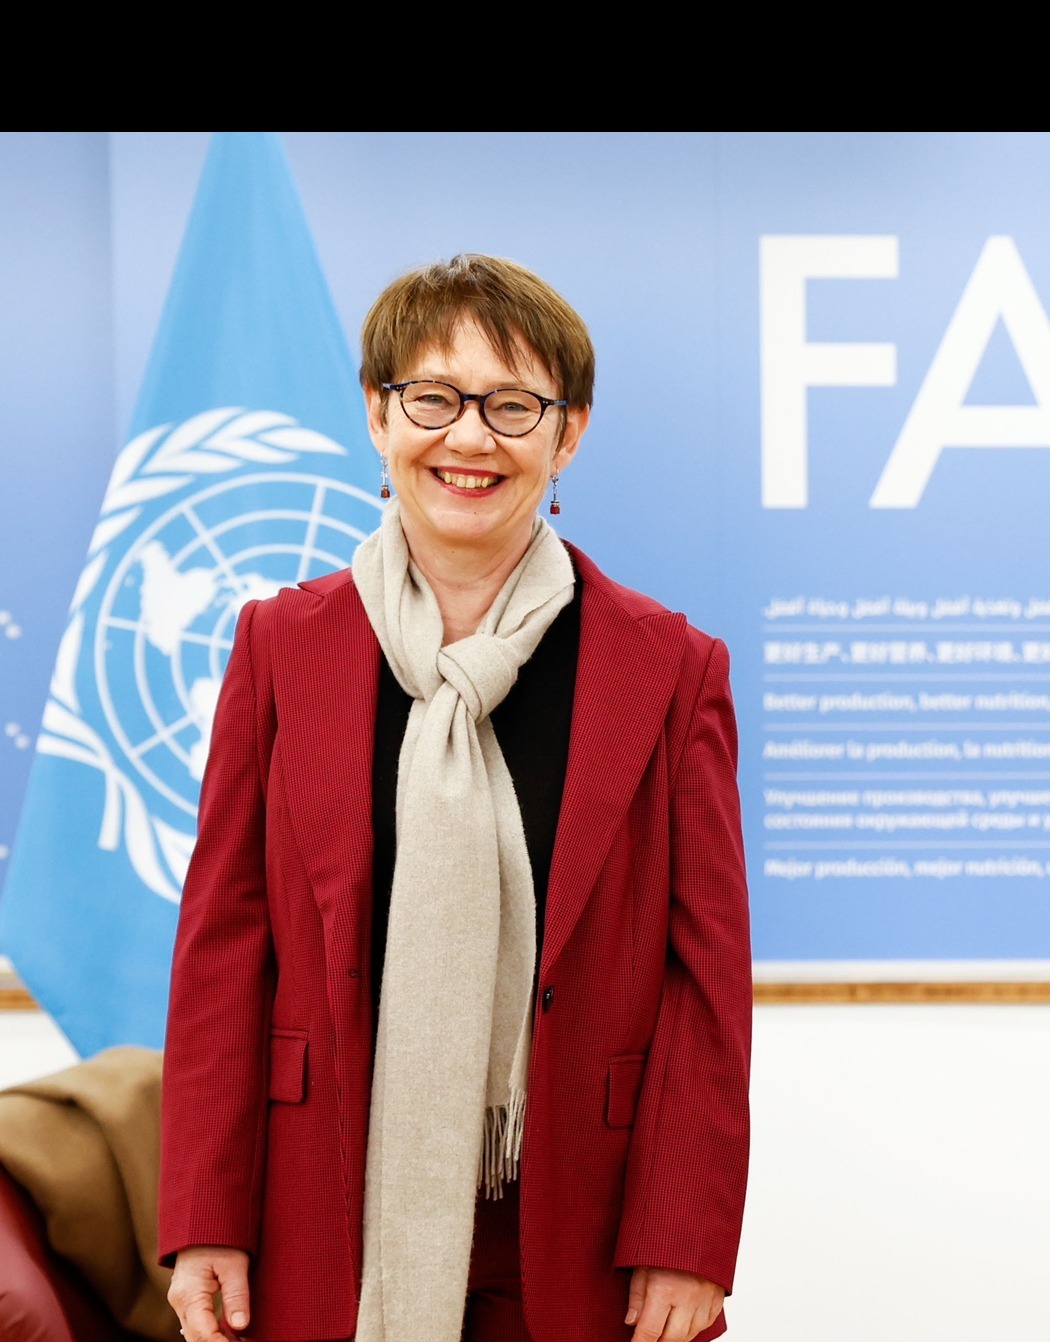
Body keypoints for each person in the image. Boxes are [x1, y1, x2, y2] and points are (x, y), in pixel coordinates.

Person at [158, 255, 751, 1342]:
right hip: (319, 1205)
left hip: (584, 1217)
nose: (468, 438)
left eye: (512, 405)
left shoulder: (666, 669)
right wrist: (205, 1216)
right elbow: (222, 952)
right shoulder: (280, 648)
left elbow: (702, 977)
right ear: (378, 415)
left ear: (566, 436)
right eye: (432, 398)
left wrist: (687, 1233)